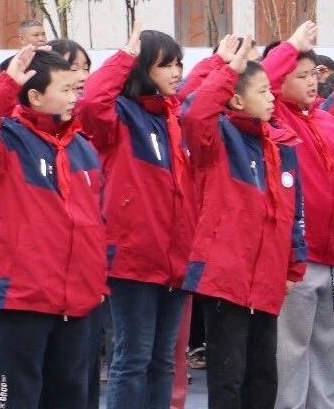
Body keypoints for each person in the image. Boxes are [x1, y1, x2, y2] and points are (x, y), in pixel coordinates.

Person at [0, 46, 105, 409]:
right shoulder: (5, 142)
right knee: (16, 397)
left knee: (70, 397)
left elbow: (93, 223)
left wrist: (96, 281)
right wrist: (5, 83)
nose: (74, 97)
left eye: (75, 88)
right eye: (65, 89)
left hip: (79, 299)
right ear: (36, 96)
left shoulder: (80, 145)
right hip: (24, 296)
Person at [182, 36, 308, 409]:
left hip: (267, 278)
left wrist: (293, 266)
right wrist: (228, 71)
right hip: (226, 279)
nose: (272, 98)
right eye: (263, 91)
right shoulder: (218, 139)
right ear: (236, 100)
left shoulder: (278, 145)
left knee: (263, 378)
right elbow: (194, 113)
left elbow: (290, 212)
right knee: (228, 378)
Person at [77, 23, 193, 409]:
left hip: (173, 259)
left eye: (179, 64)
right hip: (132, 260)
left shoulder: (171, 115)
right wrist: (124, 55)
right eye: (166, 65)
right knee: (132, 359)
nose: (176, 72)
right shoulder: (120, 116)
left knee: (163, 362)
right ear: (142, 69)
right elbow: (91, 102)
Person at [260, 22, 334, 409]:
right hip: (299, 259)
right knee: (290, 353)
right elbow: (266, 77)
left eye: (313, 74)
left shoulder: (325, 122)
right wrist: (291, 46)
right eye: (301, 75)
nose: (311, 82)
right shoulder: (274, 119)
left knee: (333, 351)